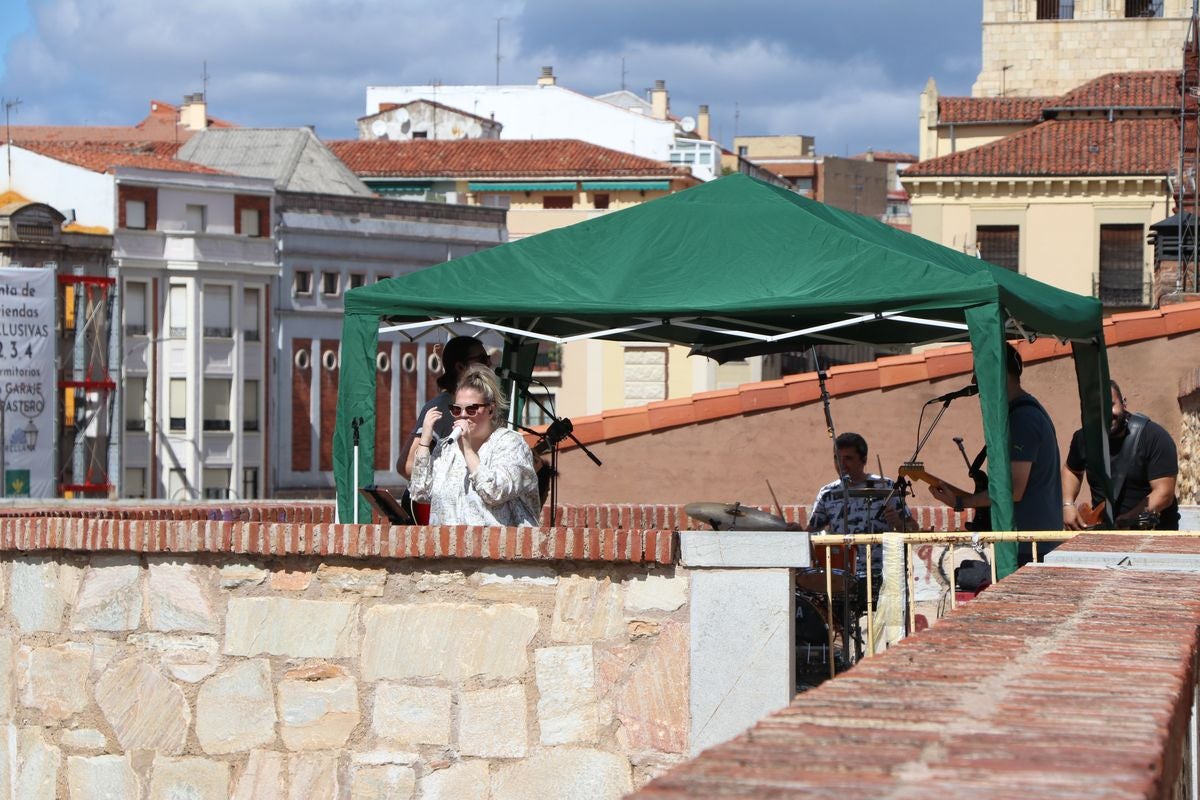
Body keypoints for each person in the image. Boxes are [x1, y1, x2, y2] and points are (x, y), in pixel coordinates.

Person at [929, 343, 1062, 564]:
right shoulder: (1022, 415)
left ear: (998, 373)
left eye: (978, 373)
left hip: (1029, 548)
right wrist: (959, 499)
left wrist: (962, 502)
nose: (974, 382)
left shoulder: (1023, 420)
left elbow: (1012, 491)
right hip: (1027, 545)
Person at [408, 364, 541, 526]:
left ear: (491, 410)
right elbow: (420, 493)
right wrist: (424, 443)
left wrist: (468, 449)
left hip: (499, 548)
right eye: (456, 409)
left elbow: (493, 492)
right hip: (449, 548)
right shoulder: (447, 447)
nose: (463, 415)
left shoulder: (511, 444)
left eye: (472, 409)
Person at [1062, 380, 1179, 530]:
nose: (1104, 414)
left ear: (1124, 403)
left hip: (1152, 534)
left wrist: (1128, 519)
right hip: (1105, 532)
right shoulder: (1083, 438)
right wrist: (1068, 504)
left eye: (1110, 405)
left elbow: (1164, 493)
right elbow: (1071, 470)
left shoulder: (1153, 437)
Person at [808, 432, 915, 573]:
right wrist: (796, 531)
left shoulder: (887, 487)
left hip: (882, 572)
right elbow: (811, 531)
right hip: (842, 574)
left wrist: (897, 522)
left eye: (848, 458)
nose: (841, 464)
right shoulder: (828, 493)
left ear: (863, 460)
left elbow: (914, 529)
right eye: (837, 458)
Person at [399, 336, 491, 480]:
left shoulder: (490, 405)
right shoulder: (439, 407)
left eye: (472, 408)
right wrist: (450, 479)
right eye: (482, 359)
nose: (489, 363)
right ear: (460, 367)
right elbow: (406, 466)